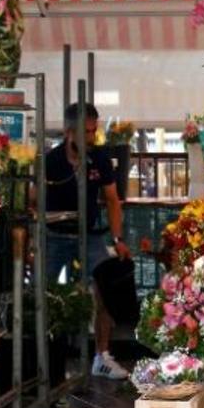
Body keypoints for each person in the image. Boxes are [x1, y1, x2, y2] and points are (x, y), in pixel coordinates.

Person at [42, 100, 138, 373]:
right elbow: (33, 202)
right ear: (68, 132)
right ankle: (48, 360)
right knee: (45, 293)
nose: (90, 137)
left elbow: (112, 199)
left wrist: (118, 239)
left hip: (90, 235)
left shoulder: (99, 158)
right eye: (85, 132)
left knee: (107, 287)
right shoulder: (51, 161)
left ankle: (102, 356)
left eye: (93, 131)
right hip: (55, 235)